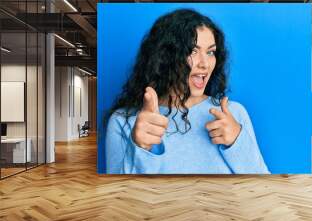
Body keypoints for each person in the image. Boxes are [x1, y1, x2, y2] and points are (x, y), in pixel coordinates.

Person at [105, 9, 269, 174]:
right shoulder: (123, 121)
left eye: (210, 52)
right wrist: (140, 148)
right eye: (192, 51)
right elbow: (117, 196)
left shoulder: (233, 114)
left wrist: (237, 143)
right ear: (166, 56)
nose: (205, 64)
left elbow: (264, 187)